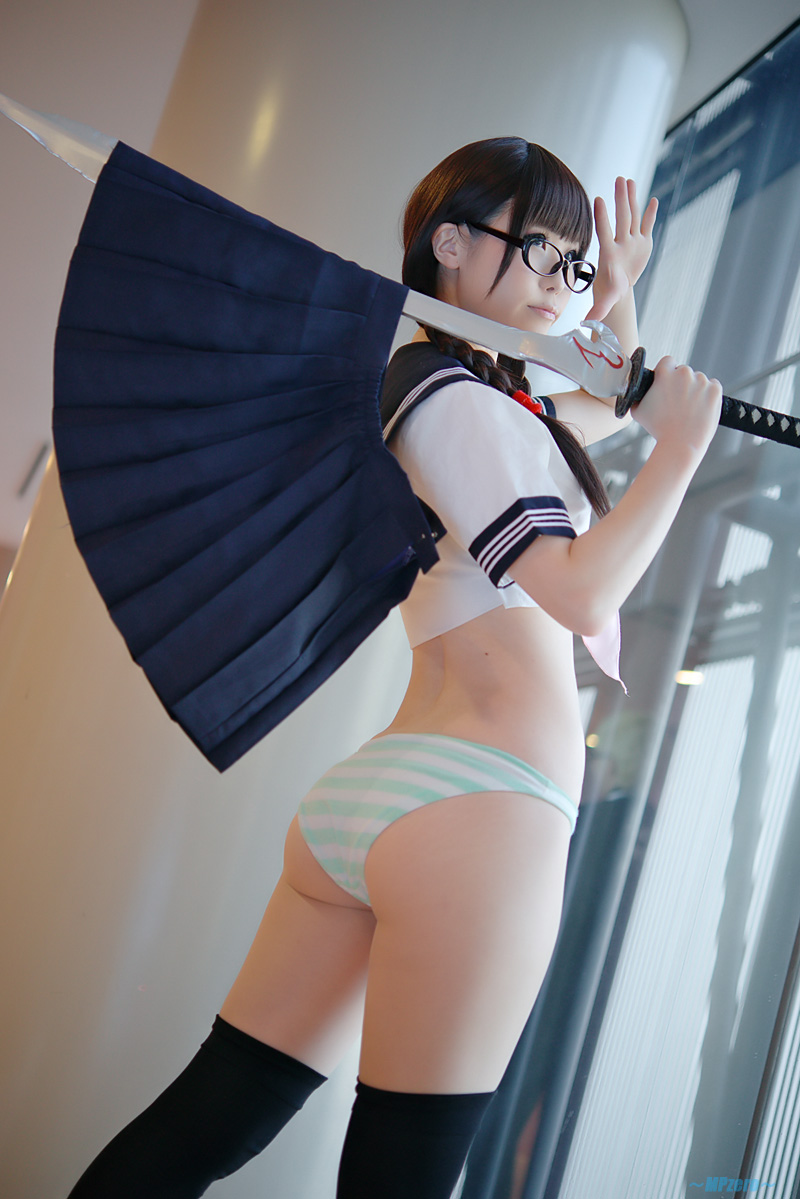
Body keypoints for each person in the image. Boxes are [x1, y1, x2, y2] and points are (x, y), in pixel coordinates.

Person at [66, 137, 721, 1198]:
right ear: (449, 244)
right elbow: (579, 592)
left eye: (572, 263)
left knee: (205, 1123)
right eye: (539, 251)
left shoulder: (471, 395)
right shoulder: (447, 396)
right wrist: (683, 453)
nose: (561, 282)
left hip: (399, 797)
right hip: (483, 809)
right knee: (393, 1174)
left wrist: (621, 295)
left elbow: (601, 411)